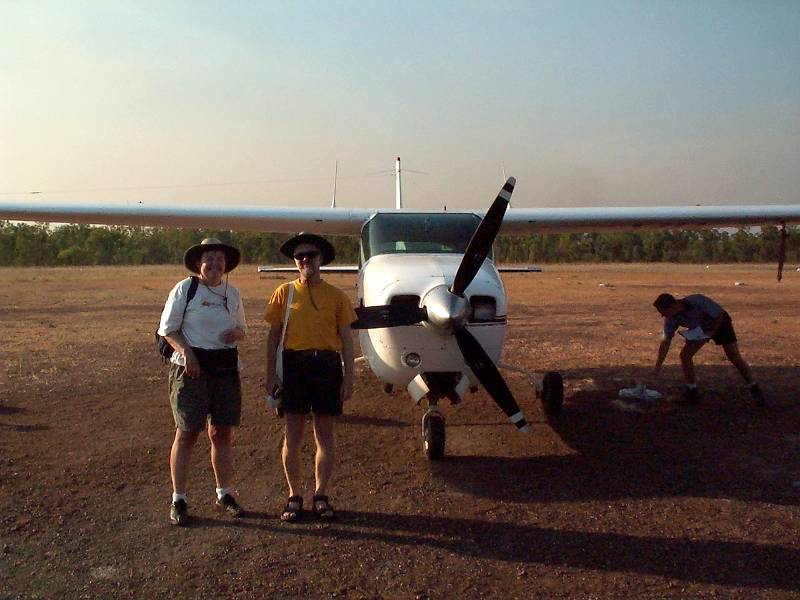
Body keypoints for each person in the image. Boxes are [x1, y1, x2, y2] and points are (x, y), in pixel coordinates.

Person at [265, 232, 356, 522]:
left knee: (325, 436)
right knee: (292, 436)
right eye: (300, 256)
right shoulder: (283, 293)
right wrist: (270, 374)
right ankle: (294, 495)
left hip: (327, 366)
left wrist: (349, 377)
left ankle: (321, 494)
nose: (305, 260)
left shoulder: (338, 296)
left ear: (321, 260)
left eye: (311, 255)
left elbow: (347, 339)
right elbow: (273, 336)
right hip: (294, 366)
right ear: (295, 261)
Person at [158, 238, 248, 526]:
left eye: (219, 259)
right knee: (186, 434)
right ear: (199, 263)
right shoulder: (186, 289)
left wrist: (236, 335)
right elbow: (167, 330)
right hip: (192, 371)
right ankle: (179, 499)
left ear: (226, 265)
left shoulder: (232, 293)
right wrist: (187, 354)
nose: (214, 264)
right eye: (208, 258)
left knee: (221, 433)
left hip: (225, 370)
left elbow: (242, 329)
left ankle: (225, 494)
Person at [650, 292, 765, 406]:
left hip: (721, 324)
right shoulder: (671, 318)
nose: (663, 316)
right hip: (701, 330)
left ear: (673, 305)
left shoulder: (697, 300)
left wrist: (712, 332)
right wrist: (658, 367)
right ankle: (692, 391)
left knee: (734, 357)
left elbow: (719, 314)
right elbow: (665, 342)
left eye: (663, 312)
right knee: (685, 355)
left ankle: (754, 387)